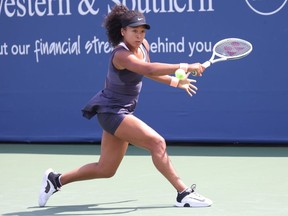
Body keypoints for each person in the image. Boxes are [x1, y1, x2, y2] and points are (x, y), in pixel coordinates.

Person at [38, 4, 212, 208]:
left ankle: (55, 180)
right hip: (112, 112)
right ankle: (183, 193)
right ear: (123, 32)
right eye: (134, 31)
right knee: (157, 143)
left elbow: (147, 72)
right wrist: (184, 66)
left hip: (121, 111)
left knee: (106, 169)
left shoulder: (144, 46)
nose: (139, 36)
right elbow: (146, 68)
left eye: (142, 31)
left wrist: (175, 81)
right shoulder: (120, 55)